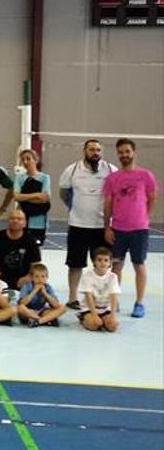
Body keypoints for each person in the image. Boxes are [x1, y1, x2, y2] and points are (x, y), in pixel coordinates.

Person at [59, 139, 118, 309]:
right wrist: (76, 208)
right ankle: (72, 298)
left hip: (102, 226)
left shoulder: (110, 170)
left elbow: (115, 195)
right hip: (78, 225)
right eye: (92, 149)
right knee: (75, 264)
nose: (95, 152)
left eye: (98, 150)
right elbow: (64, 193)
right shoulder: (72, 170)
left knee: (103, 265)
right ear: (84, 151)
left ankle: (104, 299)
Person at [103, 138, 157, 318]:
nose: (124, 155)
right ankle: (114, 302)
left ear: (134, 152)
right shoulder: (113, 178)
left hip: (139, 230)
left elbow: (151, 198)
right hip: (118, 229)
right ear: (117, 154)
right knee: (116, 266)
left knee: (139, 264)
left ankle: (139, 303)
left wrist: (142, 217)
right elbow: (108, 204)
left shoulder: (146, 175)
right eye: (121, 152)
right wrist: (107, 227)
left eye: (127, 151)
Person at [0, 210, 41, 290]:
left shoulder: (30, 241)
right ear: (8, 221)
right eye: (12, 218)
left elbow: (36, 265)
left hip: (21, 282)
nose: (15, 221)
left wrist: (28, 277)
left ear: (25, 223)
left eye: (19, 219)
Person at [13, 149, 51, 245]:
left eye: (28, 159)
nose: (25, 162)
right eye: (23, 160)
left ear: (35, 160)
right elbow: (17, 197)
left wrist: (25, 197)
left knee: (36, 249)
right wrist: (36, 195)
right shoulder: (19, 178)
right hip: (22, 219)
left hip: (39, 220)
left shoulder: (45, 178)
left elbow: (45, 198)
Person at [78, 247, 121, 332]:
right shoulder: (87, 276)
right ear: (94, 261)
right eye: (99, 260)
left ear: (110, 263)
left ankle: (103, 320)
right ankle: (83, 318)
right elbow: (88, 296)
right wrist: (94, 315)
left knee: (113, 327)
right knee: (94, 325)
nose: (102, 263)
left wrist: (113, 315)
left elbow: (114, 296)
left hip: (105, 309)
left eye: (106, 260)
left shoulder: (113, 277)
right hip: (90, 309)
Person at [17, 263, 66, 327]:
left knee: (63, 307)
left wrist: (45, 293)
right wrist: (34, 290)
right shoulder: (27, 286)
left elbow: (56, 305)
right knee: (20, 308)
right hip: (28, 311)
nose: (40, 279)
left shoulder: (48, 287)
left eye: (43, 276)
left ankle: (38, 321)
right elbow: (22, 303)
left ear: (47, 277)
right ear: (32, 278)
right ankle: (46, 320)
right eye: (36, 276)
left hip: (41, 311)